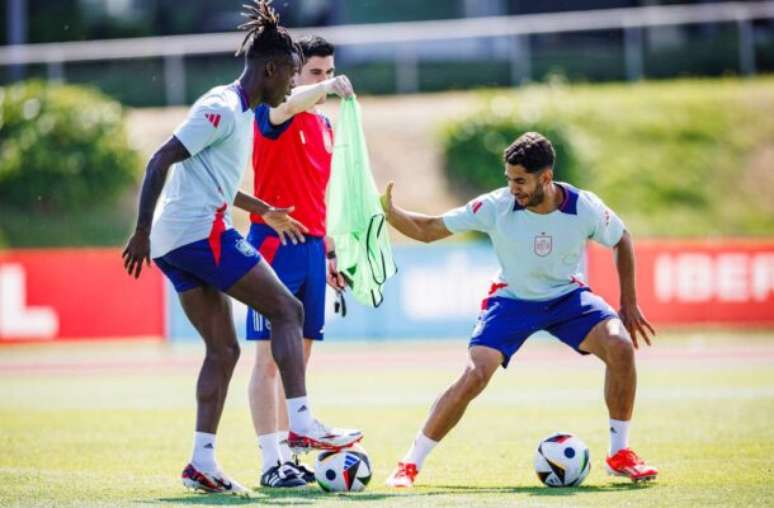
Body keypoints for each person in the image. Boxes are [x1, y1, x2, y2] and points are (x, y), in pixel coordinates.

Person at [121, 1, 361, 496]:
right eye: (291, 75)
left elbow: (215, 181)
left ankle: (201, 461)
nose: (292, 85)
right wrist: (139, 230)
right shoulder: (222, 107)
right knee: (287, 310)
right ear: (270, 69)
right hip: (195, 233)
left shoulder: (239, 113)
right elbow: (159, 158)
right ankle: (300, 422)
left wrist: (264, 208)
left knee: (224, 349)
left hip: (179, 239)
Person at [381, 132, 658, 487]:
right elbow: (429, 229)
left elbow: (621, 238)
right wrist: (390, 212)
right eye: (510, 180)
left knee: (620, 345)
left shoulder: (583, 206)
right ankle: (409, 463)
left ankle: (620, 453)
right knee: (475, 375)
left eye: (521, 181)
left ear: (546, 177)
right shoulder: (496, 206)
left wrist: (628, 302)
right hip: (511, 300)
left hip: (566, 298)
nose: (514, 188)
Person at [244, 35, 353, 488]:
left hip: (310, 249)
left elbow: (317, 197)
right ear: (293, 75)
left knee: (298, 363)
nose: (323, 81)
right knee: (267, 361)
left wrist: (329, 252)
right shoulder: (273, 113)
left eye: (328, 73)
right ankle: (271, 462)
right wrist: (328, 90)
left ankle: (294, 452)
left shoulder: (325, 126)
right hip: (272, 244)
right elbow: (287, 107)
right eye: (314, 74)